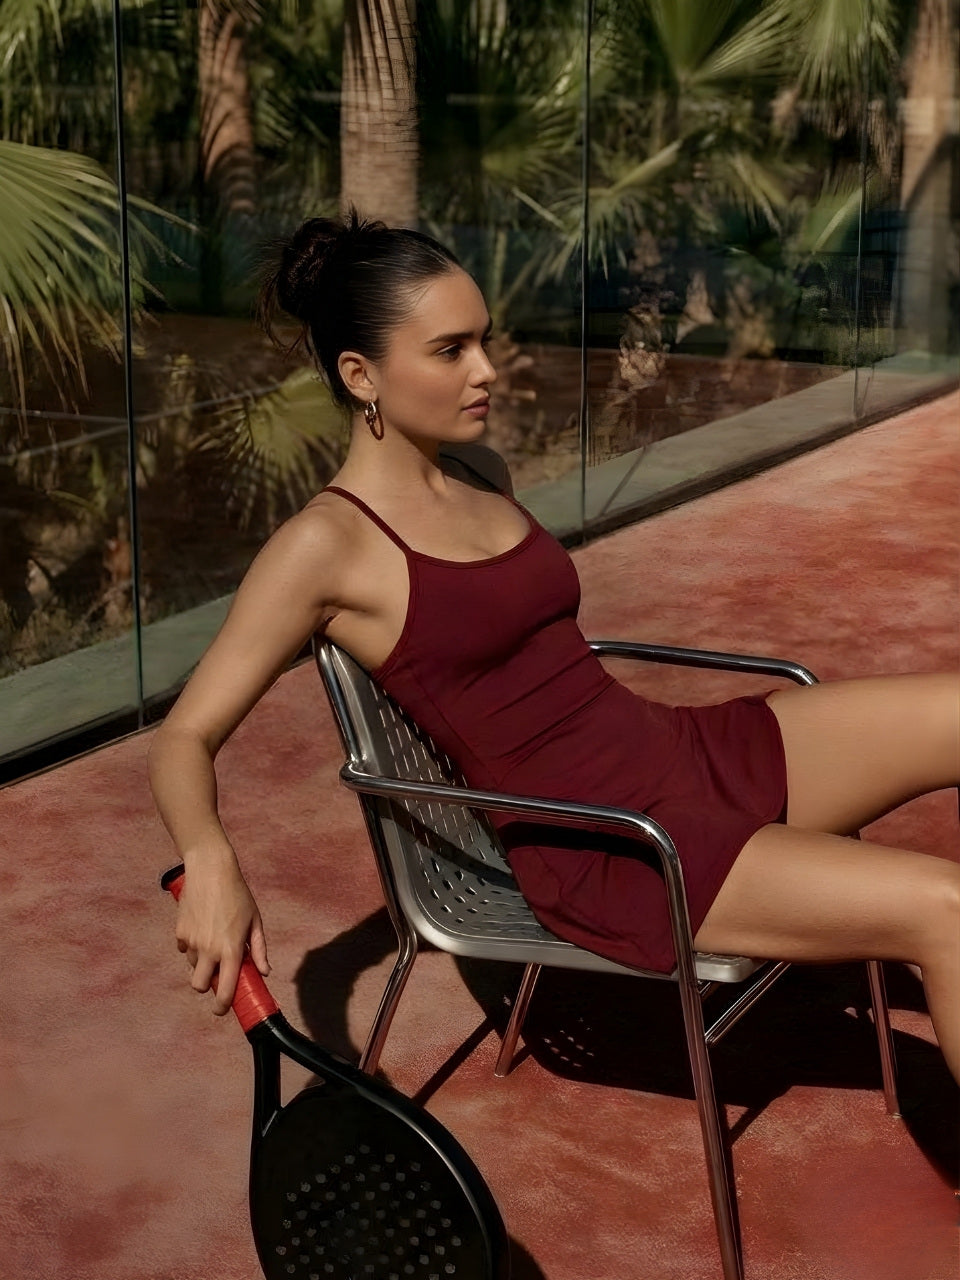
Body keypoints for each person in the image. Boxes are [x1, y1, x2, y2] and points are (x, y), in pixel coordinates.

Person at [149, 212, 960, 1086]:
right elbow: (185, 735)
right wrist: (210, 856)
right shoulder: (325, 546)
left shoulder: (480, 471)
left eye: (483, 340)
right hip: (611, 843)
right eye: (451, 351)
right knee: (943, 907)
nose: (486, 370)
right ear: (361, 374)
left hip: (674, 748)